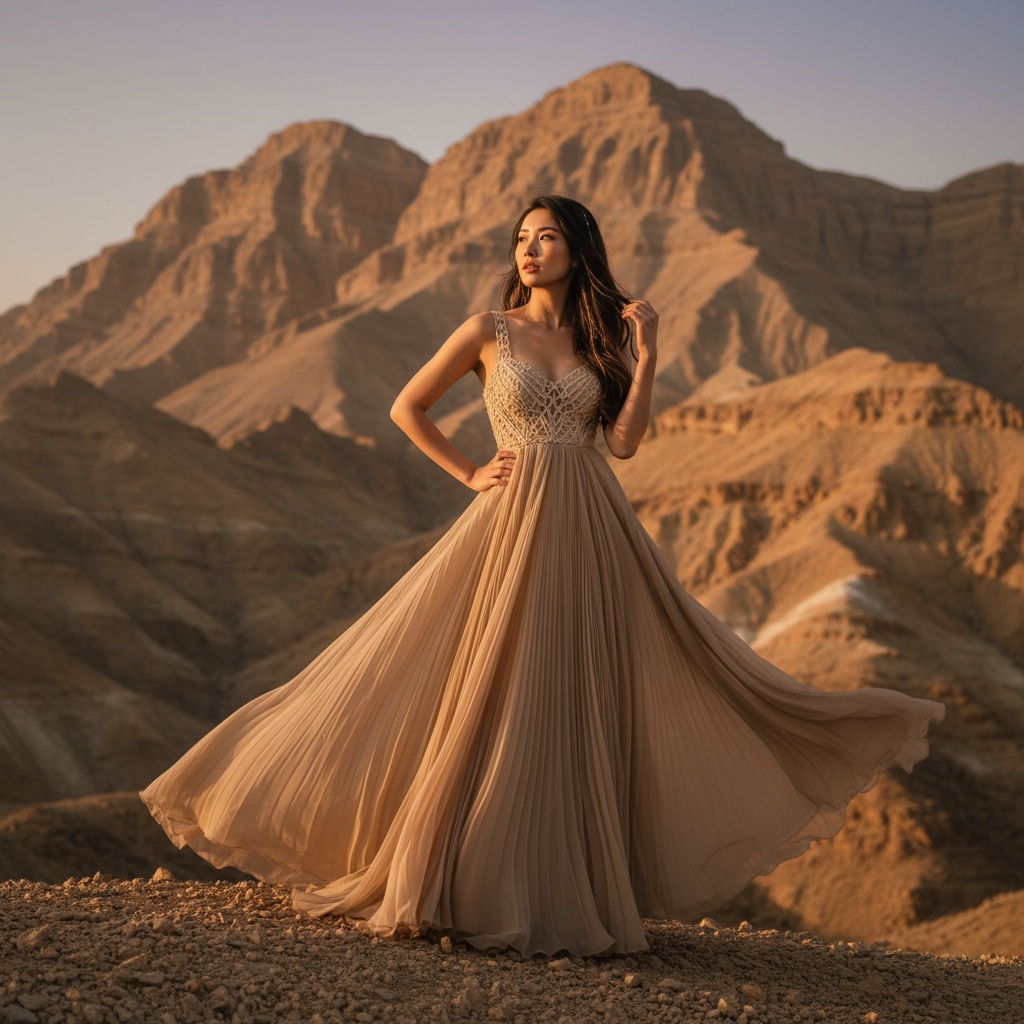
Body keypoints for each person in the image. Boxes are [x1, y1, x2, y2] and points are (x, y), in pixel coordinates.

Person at [140, 193, 944, 959]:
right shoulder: (487, 330)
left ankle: (555, 891)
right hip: (512, 521)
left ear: (577, 249)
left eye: (547, 236)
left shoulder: (602, 343)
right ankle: (464, 880)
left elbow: (623, 445)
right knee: (491, 684)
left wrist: (648, 356)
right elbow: (406, 407)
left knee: (572, 693)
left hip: (592, 526)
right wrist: (469, 473)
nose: (529, 249)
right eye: (522, 238)